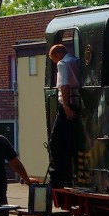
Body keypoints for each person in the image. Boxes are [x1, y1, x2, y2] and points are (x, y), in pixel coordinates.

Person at [47, 42, 81, 188]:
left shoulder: (63, 63)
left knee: (55, 142)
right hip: (79, 102)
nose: (55, 63)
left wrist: (66, 106)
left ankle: (59, 178)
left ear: (58, 55)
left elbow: (65, 84)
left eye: (53, 59)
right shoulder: (76, 61)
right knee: (70, 141)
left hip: (69, 103)